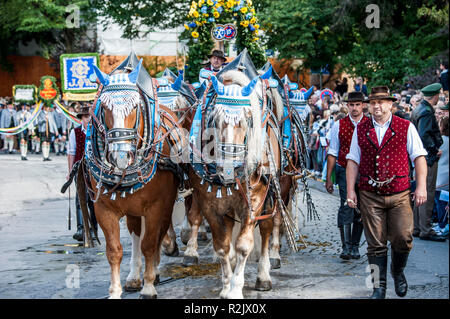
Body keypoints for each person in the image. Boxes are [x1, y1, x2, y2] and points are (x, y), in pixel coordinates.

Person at [346, 86, 428, 299]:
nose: (377, 106)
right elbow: (353, 160)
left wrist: (421, 186)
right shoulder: (361, 128)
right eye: (373, 102)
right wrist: (350, 191)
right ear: (369, 105)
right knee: (375, 244)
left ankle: (398, 272)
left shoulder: (406, 126)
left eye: (382, 102)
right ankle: (378, 287)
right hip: (369, 194)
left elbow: (419, 157)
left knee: (403, 237)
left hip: (400, 193)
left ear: (391, 104)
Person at [326, 92, 369, 260]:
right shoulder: (339, 125)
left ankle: (354, 245)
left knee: (362, 207)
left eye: (358, 104)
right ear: (347, 106)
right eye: (351, 105)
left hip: (365, 172)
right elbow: (332, 152)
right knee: (346, 205)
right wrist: (329, 177)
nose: (355, 108)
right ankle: (345, 246)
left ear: (363, 105)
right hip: (344, 170)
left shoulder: (370, 124)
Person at [411, 83, 446, 241]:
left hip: (420, 157)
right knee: (427, 192)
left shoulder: (419, 109)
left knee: (420, 191)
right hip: (427, 158)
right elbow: (424, 135)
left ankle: (418, 227)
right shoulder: (425, 111)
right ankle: (425, 228)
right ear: (435, 95)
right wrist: (433, 150)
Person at [67, 105, 97, 241]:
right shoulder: (75, 132)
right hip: (79, 169)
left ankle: (93, 228)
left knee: (93, 200)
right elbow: (71, 153)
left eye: (89, 116)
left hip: (95, 170)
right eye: (85, 117)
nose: (87, 119)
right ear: (81, 119)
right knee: (80, 199)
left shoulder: (97, 131)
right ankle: (80, 228)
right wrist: (70, 171)